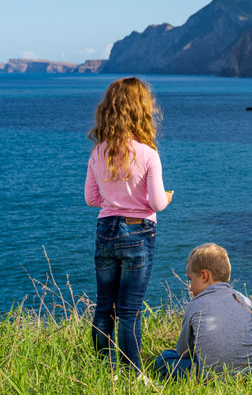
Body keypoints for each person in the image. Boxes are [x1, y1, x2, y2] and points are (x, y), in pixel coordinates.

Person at [84, 77, 173, 373]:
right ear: (142, 111)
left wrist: (115, 198)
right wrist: (165, 199)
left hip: (105, 230)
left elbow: (91, 198)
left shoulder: (98, 152)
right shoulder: (148, 154)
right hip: (138, 231)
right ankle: (131, 374)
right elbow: (158, 203)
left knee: (103, 308)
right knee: (129, 312)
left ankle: (100, 369)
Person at [154, 243, 252, 378]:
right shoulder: (244, 300)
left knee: (164, 358)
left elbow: (183, 351)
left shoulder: (195, 304)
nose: (190, 287)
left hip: (206, 376)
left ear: (204, 276)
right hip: (248, 373)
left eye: (190, 279)